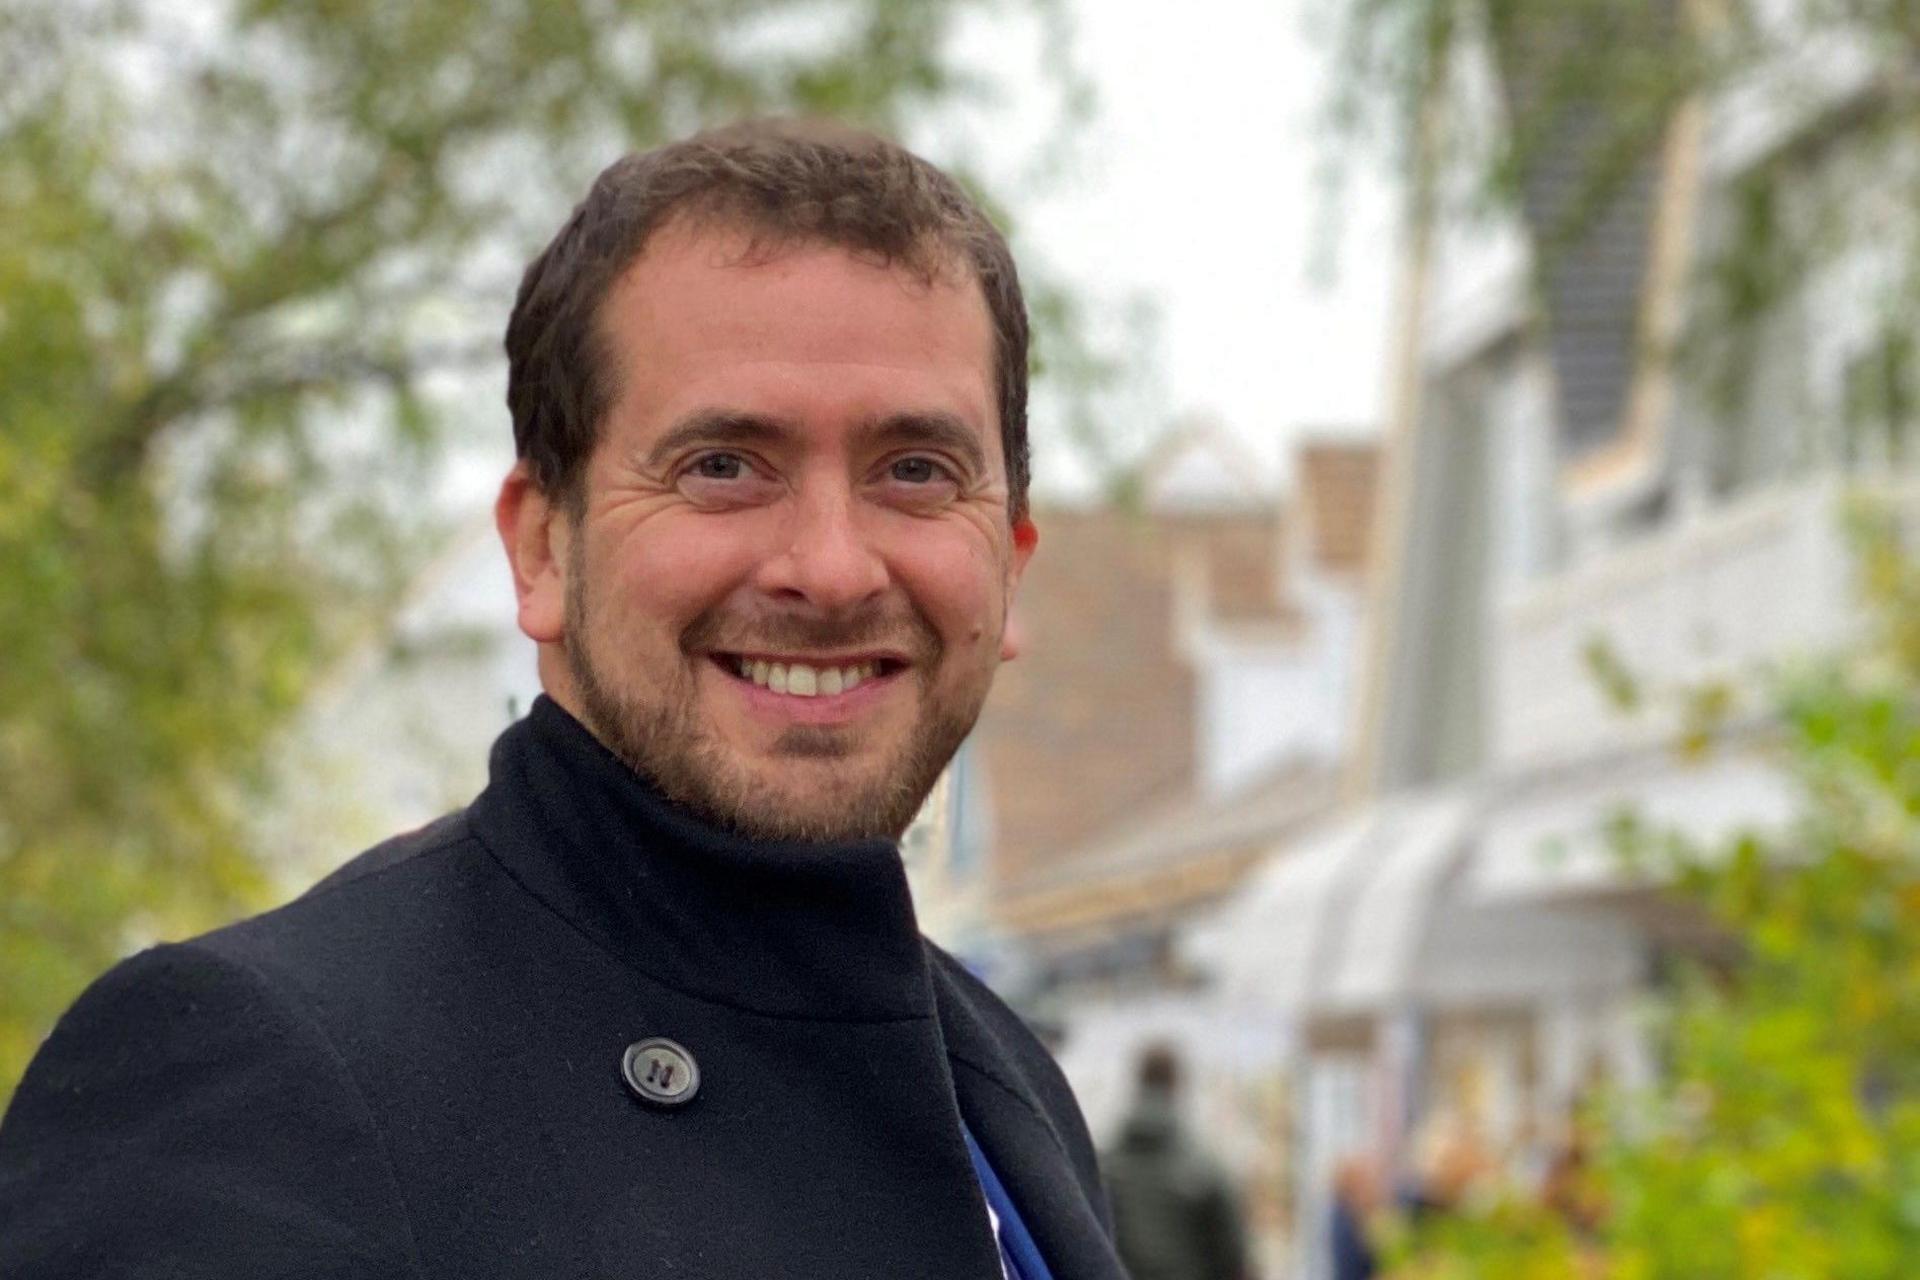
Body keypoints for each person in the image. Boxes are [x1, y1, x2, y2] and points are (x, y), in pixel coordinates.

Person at [0, 119, 1126, 1279]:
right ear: (541, 547)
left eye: (915, 471)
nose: (832, 566)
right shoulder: (259, 1074)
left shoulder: (1002, 1080)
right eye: (724, 466)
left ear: (1011, 559)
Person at [1101, 1044, 1252, 1280]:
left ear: (1138, 1082)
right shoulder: (1204, 1166)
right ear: (1176, 1085)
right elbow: (1234, 1258)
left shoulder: (1104, 1165)